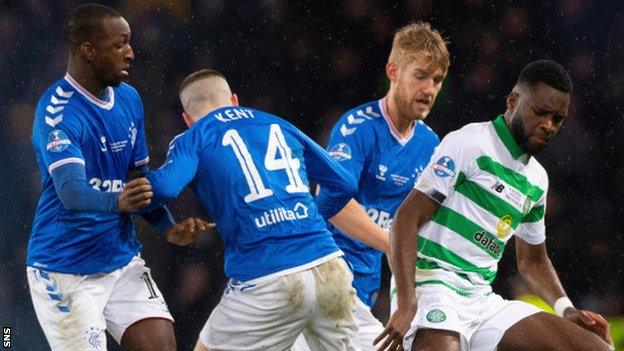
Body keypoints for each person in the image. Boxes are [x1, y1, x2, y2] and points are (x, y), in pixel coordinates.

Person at [376, 59, 614, 351]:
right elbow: (405, 219)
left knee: (595, 348)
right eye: (540, 112)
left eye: (558, 119)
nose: (548, 125)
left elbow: (533, 261)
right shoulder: (470, 143)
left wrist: (566, 309)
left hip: (481, 300)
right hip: (431, 285)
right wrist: (406, 303)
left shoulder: (537, 180)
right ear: (513, 101)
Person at [128, 68, 361, 350]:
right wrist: (309, 218)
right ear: (235, 100)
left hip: (267, 279)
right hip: (329, 267)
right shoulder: (277, 124)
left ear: (187, 119)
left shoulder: (193, 137)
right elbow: (345, 184)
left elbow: (164, 188)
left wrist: (123, 192)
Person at [27, 4, 208, 350]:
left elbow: (137, 179)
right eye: (120, 44)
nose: (131, 53)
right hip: (65, 271)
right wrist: (117, 201)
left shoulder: (129, 99)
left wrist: (166, 227)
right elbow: (70, 192)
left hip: (121, 261)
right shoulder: (58, 111)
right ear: (89, 51)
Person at [292, 21, 449, 351]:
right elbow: (331, 202)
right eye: (420, 75)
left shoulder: (430, 145)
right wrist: (394, 246)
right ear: (393, 70)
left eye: (437, 80)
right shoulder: (357, 128)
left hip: (364, 284)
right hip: (321, 269)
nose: (429, 89)